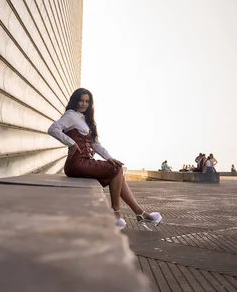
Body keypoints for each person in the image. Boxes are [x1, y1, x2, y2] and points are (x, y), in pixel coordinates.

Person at [48, 88, 162, 230]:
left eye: (87, 101)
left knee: (117, 168)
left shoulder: (86, 120)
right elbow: (53, 129)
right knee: (117, 169)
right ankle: (116, 213)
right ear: (75, 101)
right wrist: (71, 143)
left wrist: (109, 158)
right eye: (81, 100)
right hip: (77, 163)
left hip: (83, 163)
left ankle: (139, 212)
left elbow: (95, 145)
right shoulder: (71, 115)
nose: (83, 104)